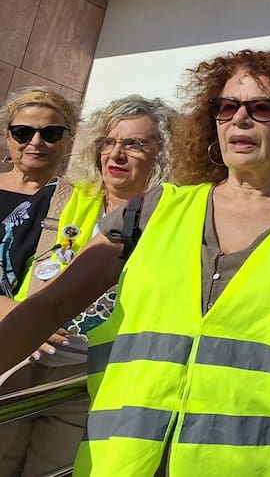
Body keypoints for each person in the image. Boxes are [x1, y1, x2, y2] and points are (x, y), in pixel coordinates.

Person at [0, 49, 270, 476]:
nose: (239, 119)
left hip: (258, 467)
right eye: (226, 107)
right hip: (123, 462)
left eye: (261, 108)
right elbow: (50, 305)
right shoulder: (151, 210)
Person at [0, 95, 177, 477]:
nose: (116, 154)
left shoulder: (173, 219)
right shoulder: (60, 198)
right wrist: (18, 313)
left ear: (162, 154)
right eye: (108, 142)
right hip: (21, 363)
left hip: (91, 380)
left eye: (134, 144)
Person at [0, 89, 79, 302]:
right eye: (22, 132)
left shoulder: (77, 201)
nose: (35, 142)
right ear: (7, 136)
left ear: (68, 139)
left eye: (51, 133)